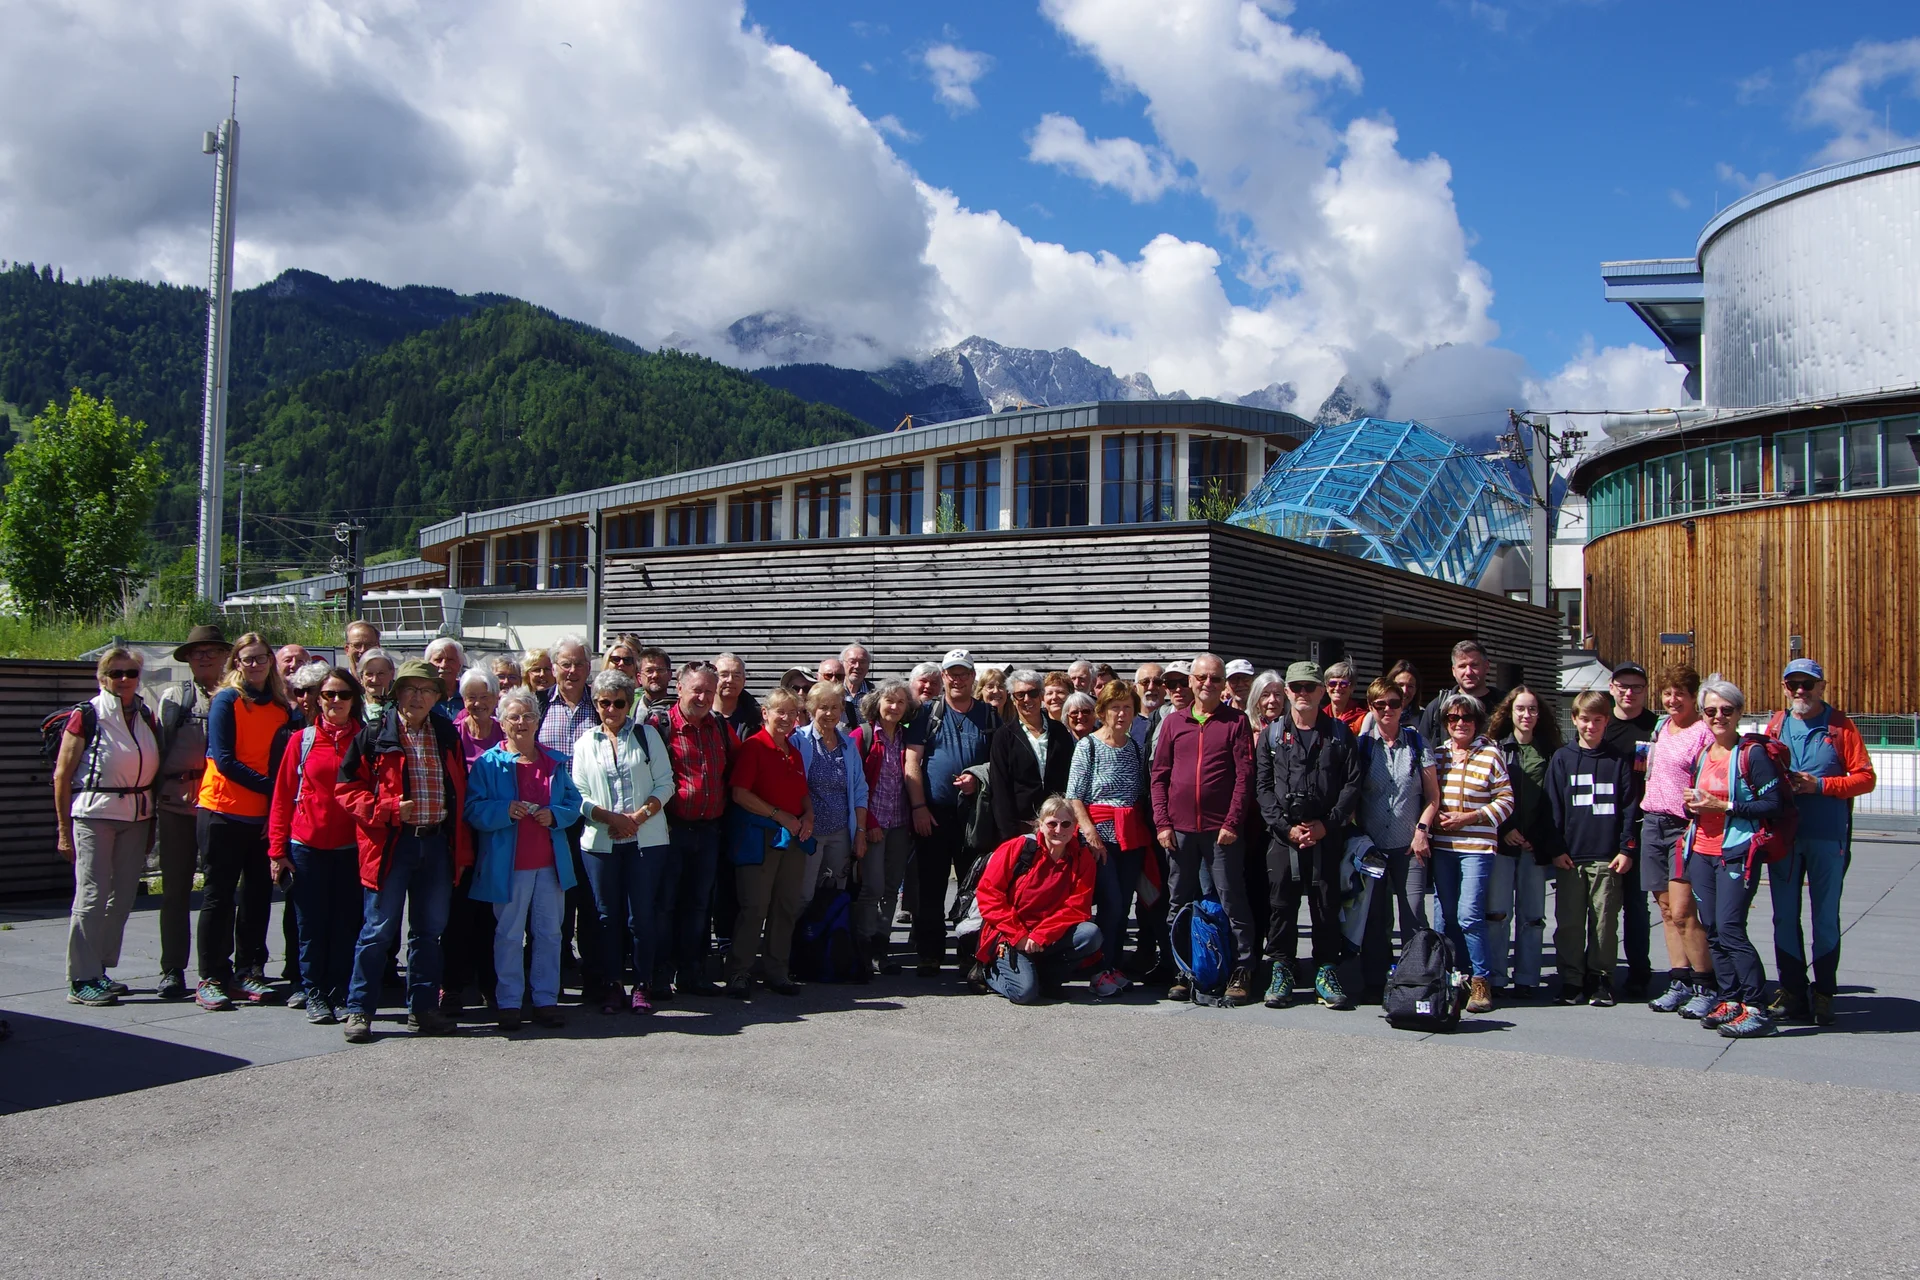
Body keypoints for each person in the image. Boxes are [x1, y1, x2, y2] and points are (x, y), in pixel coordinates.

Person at [337, 659, 474, 1042]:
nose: (418, 697)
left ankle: (423, 1010)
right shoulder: (375, 734)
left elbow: (459, 793)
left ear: (436, 697)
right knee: (377, 931)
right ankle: (359, 1010)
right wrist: (386, 810)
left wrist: (460, 850)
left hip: (437, 844)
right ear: (397, 694)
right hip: (393, 845)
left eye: (426, 690)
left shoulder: (446, 733)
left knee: (429, 933)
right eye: (411, 689)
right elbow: (346, 790)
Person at [1764, 658, 1876, 1026]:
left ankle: (1824, 992)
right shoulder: (1776, 724)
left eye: (1808, 684)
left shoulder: (1841, 726)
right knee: (1784, 915)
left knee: (1825, 916)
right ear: (1785, 688)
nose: (1801, 691)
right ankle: (1792, 990)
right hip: (1785, 836)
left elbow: (1865, 778)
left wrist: (1821, 785)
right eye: (1793, 684)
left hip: (1827, 836)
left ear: (1821, 687)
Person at [467, 686, 583, 1031]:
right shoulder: (488, 763)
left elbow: (573, 803)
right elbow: (472, 809)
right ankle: (509, 1002)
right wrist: (504, 810)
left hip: (549, 864)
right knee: (508, 935)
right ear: (502, 723)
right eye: (513, 717)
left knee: (550, 934)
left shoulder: (554, 761)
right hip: (509, 867)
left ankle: (546, 1000)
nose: (521, 722)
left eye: (528, 716)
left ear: (538, 721)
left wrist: (556, 815)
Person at [52, 648, 161, 1007]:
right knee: (92, 896)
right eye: (116, 673)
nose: (125, 679)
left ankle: (97, 969)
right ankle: (80, 978)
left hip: (136, 815)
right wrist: (63, 831)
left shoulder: (145, 714)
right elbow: (62, 775)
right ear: (102, 678)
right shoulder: (87, 715)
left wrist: (151, 823)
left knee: (123, 896)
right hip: (95, 814)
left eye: (131, 673)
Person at [194, 632, 295, 1011]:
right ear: (236, 663)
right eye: (247, 659)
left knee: (257, 896)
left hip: (262, 818)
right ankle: (211, 977)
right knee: (218, 896)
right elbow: (224, 760)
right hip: (222, 812)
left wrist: (275, 801)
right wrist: (275, 789)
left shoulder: (280, 708)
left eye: (261, 658)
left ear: (270, 661)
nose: (254, 665)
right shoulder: (227, 700)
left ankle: (247, 971)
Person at [1681, 675, 1785, 1039]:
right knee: (1711, 929)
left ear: (1739, 712)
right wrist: (1695, 806)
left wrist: (1723, 805)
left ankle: (1757, 1007)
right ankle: (1730, 998)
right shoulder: (1704, 754)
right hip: (1701, 850)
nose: (1718, 717)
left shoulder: (1751, 754)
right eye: (1710, 711)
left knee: (1730, 928)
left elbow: (1773, 804)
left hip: (1737, 851)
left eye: (1726, 710)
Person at [1254, 661, 1363, 1011]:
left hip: (1326, 834)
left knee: (1326, 906)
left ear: (1321, 692)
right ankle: (1282, 969)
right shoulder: (1272, 735)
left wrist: (1327, 825)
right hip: (1283, 835)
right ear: (1287, 692)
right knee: (1281, 906)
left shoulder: (1340, 734)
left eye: (1310, 687)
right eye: (1297, 687)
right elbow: (1263, 788)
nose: (1303, 693)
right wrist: (1285, 827)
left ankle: (1326, 971)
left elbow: (1352, 785)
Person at [1151, 653, 1257, 1004]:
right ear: (1191, 681)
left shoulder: (1235, 722)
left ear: (1223, 682)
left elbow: (1244, 777)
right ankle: (1182, 968)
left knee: (1231, 899)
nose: (1207, 684)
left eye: (1215, 678)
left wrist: (1232, 822)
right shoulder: (1174, 722)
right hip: (1179, 831)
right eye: (1201, 678)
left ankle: (1241, 969)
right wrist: (1162, 823)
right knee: (1178, 902)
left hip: (1220, 831)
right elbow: (1159, 775)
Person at [572, 668, 675, 1013]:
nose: (611, 709)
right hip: (601, 843)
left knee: (641, 917)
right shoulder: (585, 743)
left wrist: (636, 819)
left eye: (619, 703)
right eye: (605, 703)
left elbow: (666, 783)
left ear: (629, 703)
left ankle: (642, 984)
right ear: (596, 704)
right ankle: (613, 984)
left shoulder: (647, 735)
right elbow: (578, 795)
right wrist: (610, 819)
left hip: (646, 841)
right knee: (606, 917)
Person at [267, 665, 364, 1024]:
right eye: (328, 694)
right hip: (306, 847)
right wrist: (277, 851)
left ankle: (339, 991)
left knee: (346, 925)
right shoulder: (301, 740)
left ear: (354, 700)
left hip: (351, 848)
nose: (336, 700)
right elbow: (282, 797)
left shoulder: (366, 740)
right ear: (318, 700)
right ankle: (314, 993)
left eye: (343, 694)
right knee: (310, 926)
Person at [904, 650, 1000, 977]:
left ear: (973, 677)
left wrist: (978, 778)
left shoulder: (989, 715)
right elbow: (912, 762)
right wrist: (918, 807)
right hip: (932, 812)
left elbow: (1000, 762)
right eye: (951, 674)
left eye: (963, 674)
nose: (957, 679)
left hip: (975, 815)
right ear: (943, 677)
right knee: (929, 886)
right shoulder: (926, 713)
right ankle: (929, 954)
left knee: (974, 888)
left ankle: (969, 953)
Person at [151, 624, 232, 999]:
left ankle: (216, 969)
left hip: (222, 807)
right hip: (177, 805)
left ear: (224, 656)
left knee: (220, 891)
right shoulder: (174, 697)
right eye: (197, 652)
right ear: (187, 658)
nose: (204, 657)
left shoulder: (235, 696)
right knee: (176, 890)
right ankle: (172, 969)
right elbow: (158, 750)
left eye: (212, 651)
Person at [1547, 691, 1641, 1006]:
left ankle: (1601, 979)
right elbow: (1552, 807)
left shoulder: (1618, 760)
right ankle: (1571, 980)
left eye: (1597, 720)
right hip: (1570, 857)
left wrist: (1626, 849)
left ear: (1606, 721)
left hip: (1607, 857)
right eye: (1585, 719)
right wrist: (1556, 849)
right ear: (1574, 719)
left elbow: (1629, 808)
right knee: (1570, 923)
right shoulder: (1562, 758)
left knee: (1604, 923)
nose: (1591, 726)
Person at [725, 686, 814, 998]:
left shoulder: (793, 751)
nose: (787, 718)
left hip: (792, 839)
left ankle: (777, 971)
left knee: (785, 906)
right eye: (780, 711)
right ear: (765, 713)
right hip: (759, 837)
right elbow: (740, 794)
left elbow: (803, 793)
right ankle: (739, 972)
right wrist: (779, 815)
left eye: (793, 713)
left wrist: (808, 816)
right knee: (754, 907)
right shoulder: (754, 747)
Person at [1355, 675, 1440, 1000]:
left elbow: (1433, 797)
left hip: (1410, 844)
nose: (1388, 710)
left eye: (1394, 703)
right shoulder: (1363, 746)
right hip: (1374, 845)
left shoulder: (1417, 743)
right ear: (1371, 707)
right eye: (1380, 705)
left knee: (1414, 913)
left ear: (1403, 705)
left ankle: (1414, 979)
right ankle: (1376, 982)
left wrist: (1422, 831)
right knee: (1375, 917)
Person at [1430, 690, 1514, 1014]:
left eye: (1466, 717)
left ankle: (1481, 981)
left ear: (1477, 721)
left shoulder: (1491, 755)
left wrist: (1471, 817)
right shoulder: (1438, 755)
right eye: (1453, 718)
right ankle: (1451, 977)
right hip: (1443, 846)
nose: (1460, 723)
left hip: (1477, 847)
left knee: (1469, 914)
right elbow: (1427, 794)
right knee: (1445, 916)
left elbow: (1506, 800)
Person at [1639, 665, 1717, 1017]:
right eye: (1668, 693)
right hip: (1652, 822)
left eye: (1680, 694)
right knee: (1667, 911)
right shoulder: (1660, 727)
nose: (1672, 700)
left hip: (1682, 827)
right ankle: (1679, 979)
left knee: (1685, 911)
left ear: (1693, 697)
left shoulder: (1703, 733)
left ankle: (1705, 983)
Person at [1066, 680, 1150, 999]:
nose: (1121, 713)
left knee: (1124, 904)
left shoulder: (1135, 748)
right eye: (1115, 707)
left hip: (1131, 837)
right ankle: (1098, 969)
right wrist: (1090, 834)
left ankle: (1113, 966)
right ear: (1102, 711)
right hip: (1100, 837)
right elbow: (1074, 796)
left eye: (1127, 707)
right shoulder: (1088, 746)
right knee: (1111, 903)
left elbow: (1139, 794)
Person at [974, 796, 1102, 1004]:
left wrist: (1041, 935)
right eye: (1052, 823)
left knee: (1090, 934)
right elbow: (989, 895)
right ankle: (990, 972)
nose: (1059, 830)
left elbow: (1078, 907)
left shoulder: (1082, 857)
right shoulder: (1017, 847)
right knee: (1024, 994)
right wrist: (1020, 936)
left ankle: (1047, 979)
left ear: (1074, 827)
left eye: (1066, 824)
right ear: (1040, 825)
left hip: (1046, 936)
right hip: (1010, 934)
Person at [538, 636, 603, 992]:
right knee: (554, 900)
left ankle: (593, 976)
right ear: (553, 668)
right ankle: (555, 975)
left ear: (589, 668)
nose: (572, 670)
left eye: (579, 664)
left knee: (591, 899)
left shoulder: (601, 704)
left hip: (592, 816)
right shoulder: (537, 705)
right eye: (566, 664)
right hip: (550, 819)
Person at [1488, 686, 1562, 999]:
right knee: (1497, 914)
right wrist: (1504, 828)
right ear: (1510, 712)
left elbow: (1554, 800)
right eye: (1520, 709)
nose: (1526, 715)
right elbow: (1488, 792)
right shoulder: (1496, 748)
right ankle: (1495, 977)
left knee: (1532, 917)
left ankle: (1527, 977)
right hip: (1503, 843)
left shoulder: (1550, 751)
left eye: (1532, 709)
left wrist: (1538, 837)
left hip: (1535, 845)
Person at [443, 666, 505, 1015]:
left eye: (484, 696)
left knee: (491, 916)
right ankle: (452, 986)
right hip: (460, 837)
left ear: (496, 698)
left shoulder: (506, 731)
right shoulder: (451, 734)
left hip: (498, 837)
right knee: (458, 914)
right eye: (471, 697)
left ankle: (491, 985)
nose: (478, 703)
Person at [1599, 660, 1659, 997]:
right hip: (1603, 825)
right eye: (1623, 686)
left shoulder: (1655, 727)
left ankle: (1639, 973)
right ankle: (1598, 971)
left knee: (1637, 906)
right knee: (1601, 906)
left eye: (1636, 687)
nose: (1629, 693)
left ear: (1645, 691)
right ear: (1612, 688)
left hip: (1642, 825)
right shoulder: (1601, 725)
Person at [279, 660, 336, 999]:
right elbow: (281, 793)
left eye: (312, 691)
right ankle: (302, 981)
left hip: (343, 843)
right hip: (302, 840)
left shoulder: (356, 733)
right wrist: (276, 848)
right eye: (298, 692)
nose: (305, 698)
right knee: (303, 918)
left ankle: (336, 984)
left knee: (340, 918)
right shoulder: (292, 734)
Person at [853, 680, 915, 973]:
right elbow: (854, 783)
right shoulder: (863, 735)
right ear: (877, 703)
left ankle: (881, 948)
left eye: (901, 702)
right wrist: (868, 823)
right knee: (872, 887)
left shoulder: (907, 738)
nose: (895, 707)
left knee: (891, 889)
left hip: (900, 823)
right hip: (873, 824)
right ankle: (862, 948)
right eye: (889, 700)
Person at [793, 681, 869, 907]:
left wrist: (860, 832)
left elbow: (860, 790)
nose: (829, 713)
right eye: (823, 707)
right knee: (803, 894)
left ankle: (826, 931)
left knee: (834, 893)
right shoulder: (798, 741)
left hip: (840, 833)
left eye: (835, 707)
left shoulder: (848, 744)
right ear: (811, 709)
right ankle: (799, 931)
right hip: (808, 833)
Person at [990, 670, 1076, 847]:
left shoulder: (1060, 731)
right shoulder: (1003, 736)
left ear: (1041, 695)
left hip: (1058, 826)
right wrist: (1009, 836)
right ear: (1013, 699)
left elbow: (1071, 778)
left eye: (1033, 693)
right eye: (1020, 695)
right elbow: (1000, 789)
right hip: (1021, 827)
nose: (1027, 699)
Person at [1418, 641, 1504, 747]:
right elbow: (1420, 747)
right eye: (1462, 666)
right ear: (1454, 671)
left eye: (1474, 665)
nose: (1468, 672)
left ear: (1486, 666)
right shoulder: (1438, 707)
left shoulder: (1505, 705)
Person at [714, 652, 763, 739]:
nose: (730, 680)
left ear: (744, 681)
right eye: (724, 675)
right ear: (712, 679)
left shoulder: (758, 719)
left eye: (736, 676)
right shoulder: (699, 715)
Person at [425, 637, 466, 721]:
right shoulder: (421, 695)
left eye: (450, 660)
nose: (444, 665)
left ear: (459, 665)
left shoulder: (468, 694)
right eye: (438, 660)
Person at [1130, 662, 1167, 749]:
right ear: (1135, 689)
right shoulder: (1126, 721)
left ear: (1165, 688)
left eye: (1157, 682)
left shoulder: (1173, 719)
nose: (1151, 687)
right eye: (1145, 682)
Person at [1323, 662, 1366, 733]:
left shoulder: (1362, 718)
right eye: (1332, 683)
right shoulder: (1320, 716)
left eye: (1343, 684)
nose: (1337, 688)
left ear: (1352, 688)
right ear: (1327, 687)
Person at [358, 648, 397, 725]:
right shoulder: (353, 706)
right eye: (369, 674)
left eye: (381, 674)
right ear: (361, 677)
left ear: (392, 674)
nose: (374, 680)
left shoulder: (400, 707)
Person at [637, 646, 674, 711]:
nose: (655, 675)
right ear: (639, 678)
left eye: (660, 670)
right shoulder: (627, 709)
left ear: (670, 675)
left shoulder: (680, 710)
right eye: (649, 670)